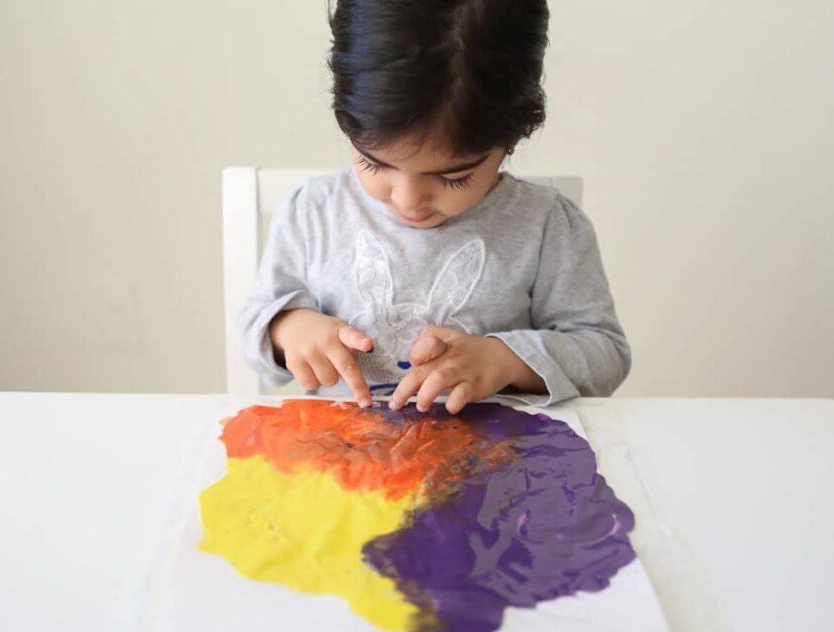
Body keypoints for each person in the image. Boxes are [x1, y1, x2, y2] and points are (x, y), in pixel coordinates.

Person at [240, 0, 630, 414]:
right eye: (373, 162)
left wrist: (504, 359)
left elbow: (605, 355)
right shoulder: (313, 212)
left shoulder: (547, 225)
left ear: (511, 138)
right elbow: (255, 327)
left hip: (494, 463)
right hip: (343, 461)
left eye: (452, 177)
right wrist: (288, 329)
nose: (408, 200)